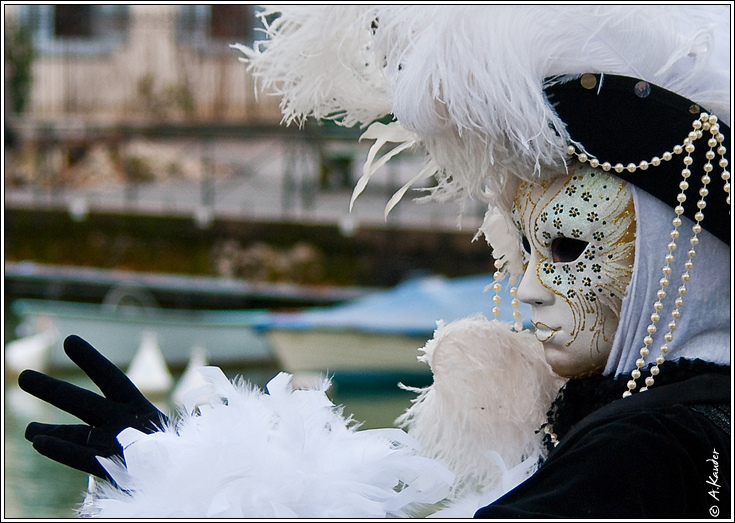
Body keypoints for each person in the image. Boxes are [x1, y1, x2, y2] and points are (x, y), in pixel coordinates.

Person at [18, 5, 730, 518]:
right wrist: (187, 460)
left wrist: (190, 482)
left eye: (569, 247)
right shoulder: (676, 420)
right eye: (524, 247)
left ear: (681, 259)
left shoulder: (646, 447)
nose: (529, 291)